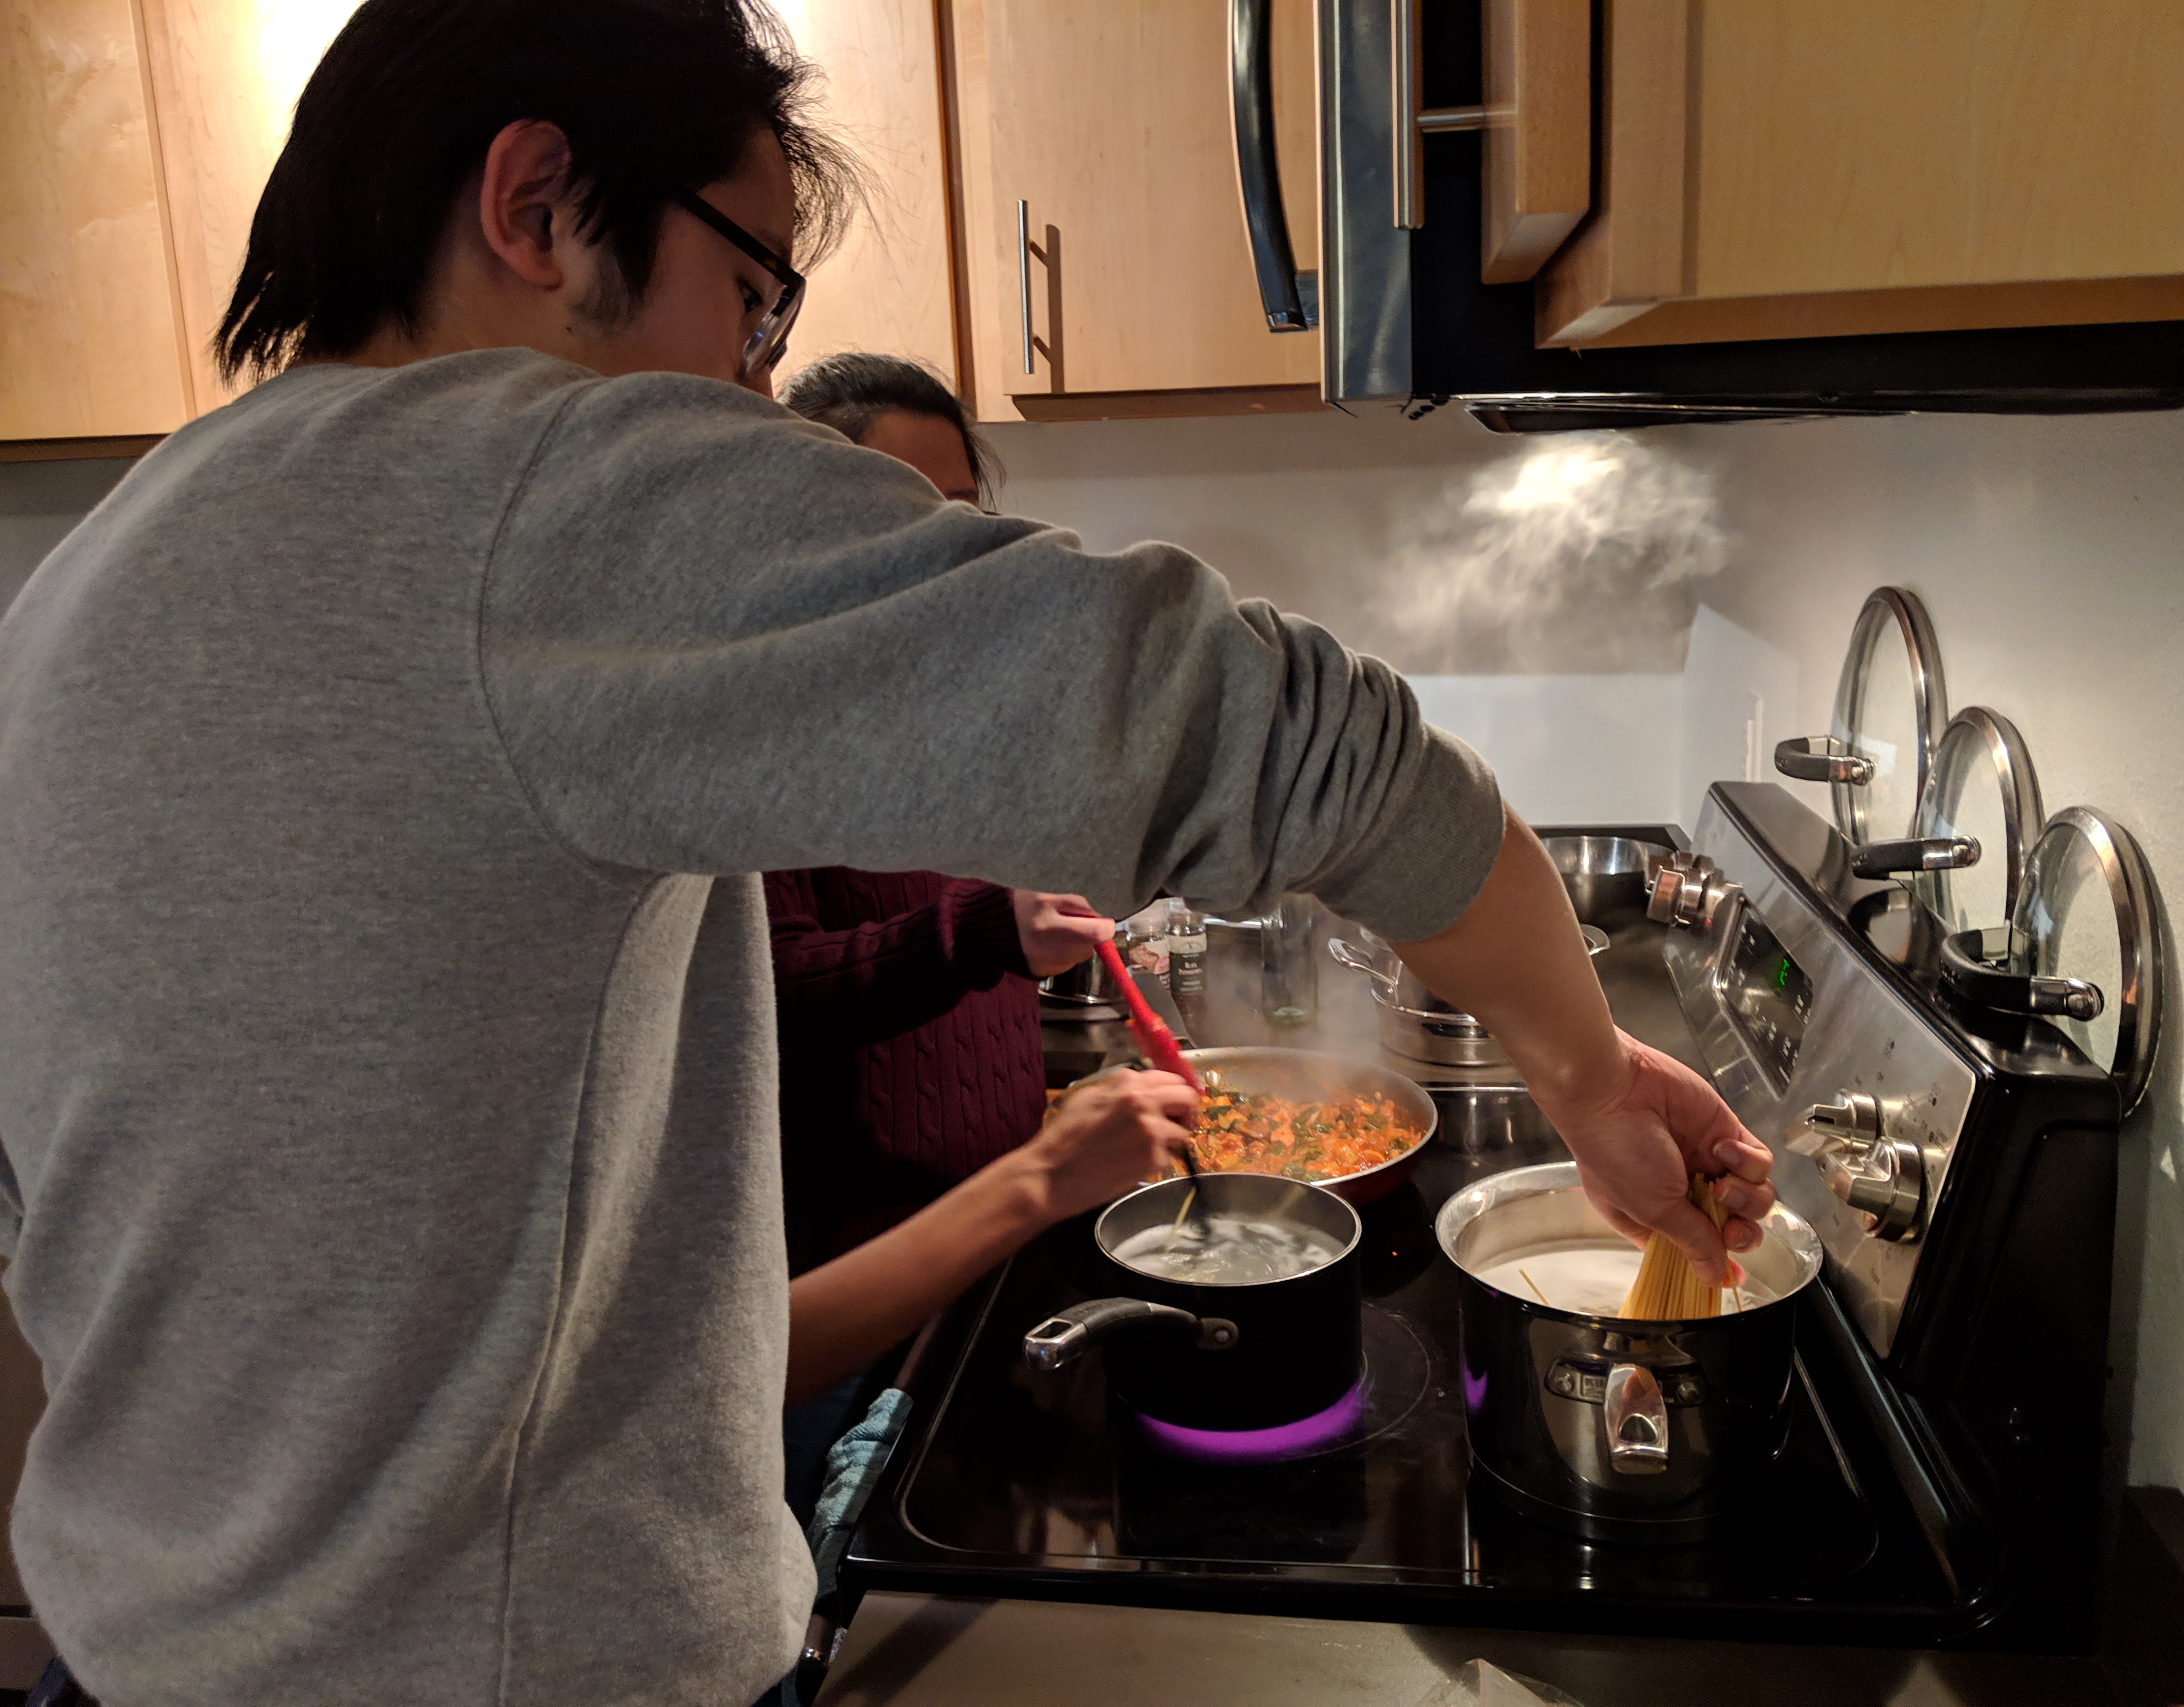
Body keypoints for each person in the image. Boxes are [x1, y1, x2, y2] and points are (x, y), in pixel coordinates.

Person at [0, 5, 1774, 1706]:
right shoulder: (534, 493)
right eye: (754, 296)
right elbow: (1313, 748)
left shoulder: (84, 587)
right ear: (536, 204)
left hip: (137, 1649)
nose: (755, 387)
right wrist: (1586, 1066)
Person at [764, 353, 1091, 1518]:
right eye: (898, 512)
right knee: (833, 1619)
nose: (941, 550)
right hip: (843, 1303)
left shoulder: (967, 700)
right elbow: (772, 994)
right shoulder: (758, 726)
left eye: (958, 512)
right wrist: (983, 932)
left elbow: (987, 921)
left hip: (990, 1252)